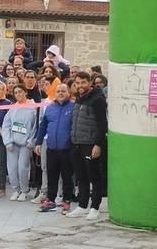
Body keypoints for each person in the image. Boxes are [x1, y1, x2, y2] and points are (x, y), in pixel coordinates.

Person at [66, 72, 108, 220]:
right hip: (77, 143)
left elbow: (103, 124)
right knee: (81, 176)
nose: (80, 86)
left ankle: (95, 207)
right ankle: (82, 205)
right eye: (77, 83)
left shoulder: (98, 100)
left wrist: (98, 144)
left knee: (94, 176)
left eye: (83, 82)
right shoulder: (78, 98)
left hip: (90, 144)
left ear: (90, 82)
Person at [35, 84, 76, 212]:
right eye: (58, 91)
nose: (61, 93)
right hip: (51, 148)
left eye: (63, 91)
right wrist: (38, 142)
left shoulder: (73, 107)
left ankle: (66, 200)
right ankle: (51, 200)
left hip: (67, 149)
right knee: (52, 175)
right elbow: (42, 127)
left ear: (68, 93)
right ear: (55, 93)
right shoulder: (50, 108)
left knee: (67, 177)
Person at [1, 85, 37, 201]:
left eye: (20, 92)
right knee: (12, 168)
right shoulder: (12, 108)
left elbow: (35, 125)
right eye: (16, 93)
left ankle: (24, 190)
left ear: (25, 92)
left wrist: (31, 141)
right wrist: (8, 141)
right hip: (13, 143)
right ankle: (16, 189)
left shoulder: (33, 107)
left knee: (23, 168)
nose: (18, 94)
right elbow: (6, 125)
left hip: (26, 144)